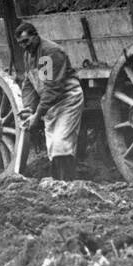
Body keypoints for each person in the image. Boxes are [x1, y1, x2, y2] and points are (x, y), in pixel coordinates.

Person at [15, 20, 84, 180]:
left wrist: (37, 115)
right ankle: (59, 185)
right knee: (53, 146)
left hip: (67, 99)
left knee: (61, 143)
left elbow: (53, 88)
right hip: (50, 104)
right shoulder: (28, 55)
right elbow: (30, 83)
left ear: (36, 36)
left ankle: (68, 184)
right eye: (20, 43)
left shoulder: (50, 52)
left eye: (26, 41)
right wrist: (28, 107)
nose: (24, 46)